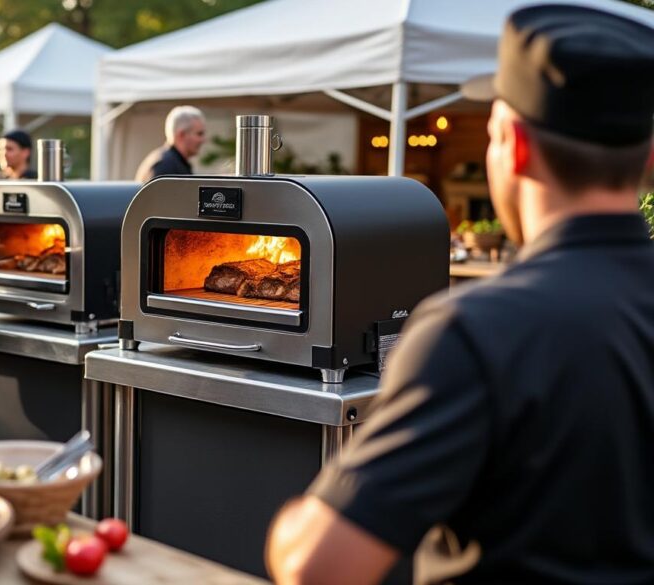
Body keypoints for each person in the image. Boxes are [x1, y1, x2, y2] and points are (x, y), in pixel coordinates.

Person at [266, 5, 654, 584]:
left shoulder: (475, 331)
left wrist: (289, 523)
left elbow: (316, 567)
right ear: (648, 160)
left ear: (514, 147)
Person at [134, 106, 206, 182]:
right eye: (199, 134)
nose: (203, 140)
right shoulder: (165, 166)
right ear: (181, 135)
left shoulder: (170, 161)